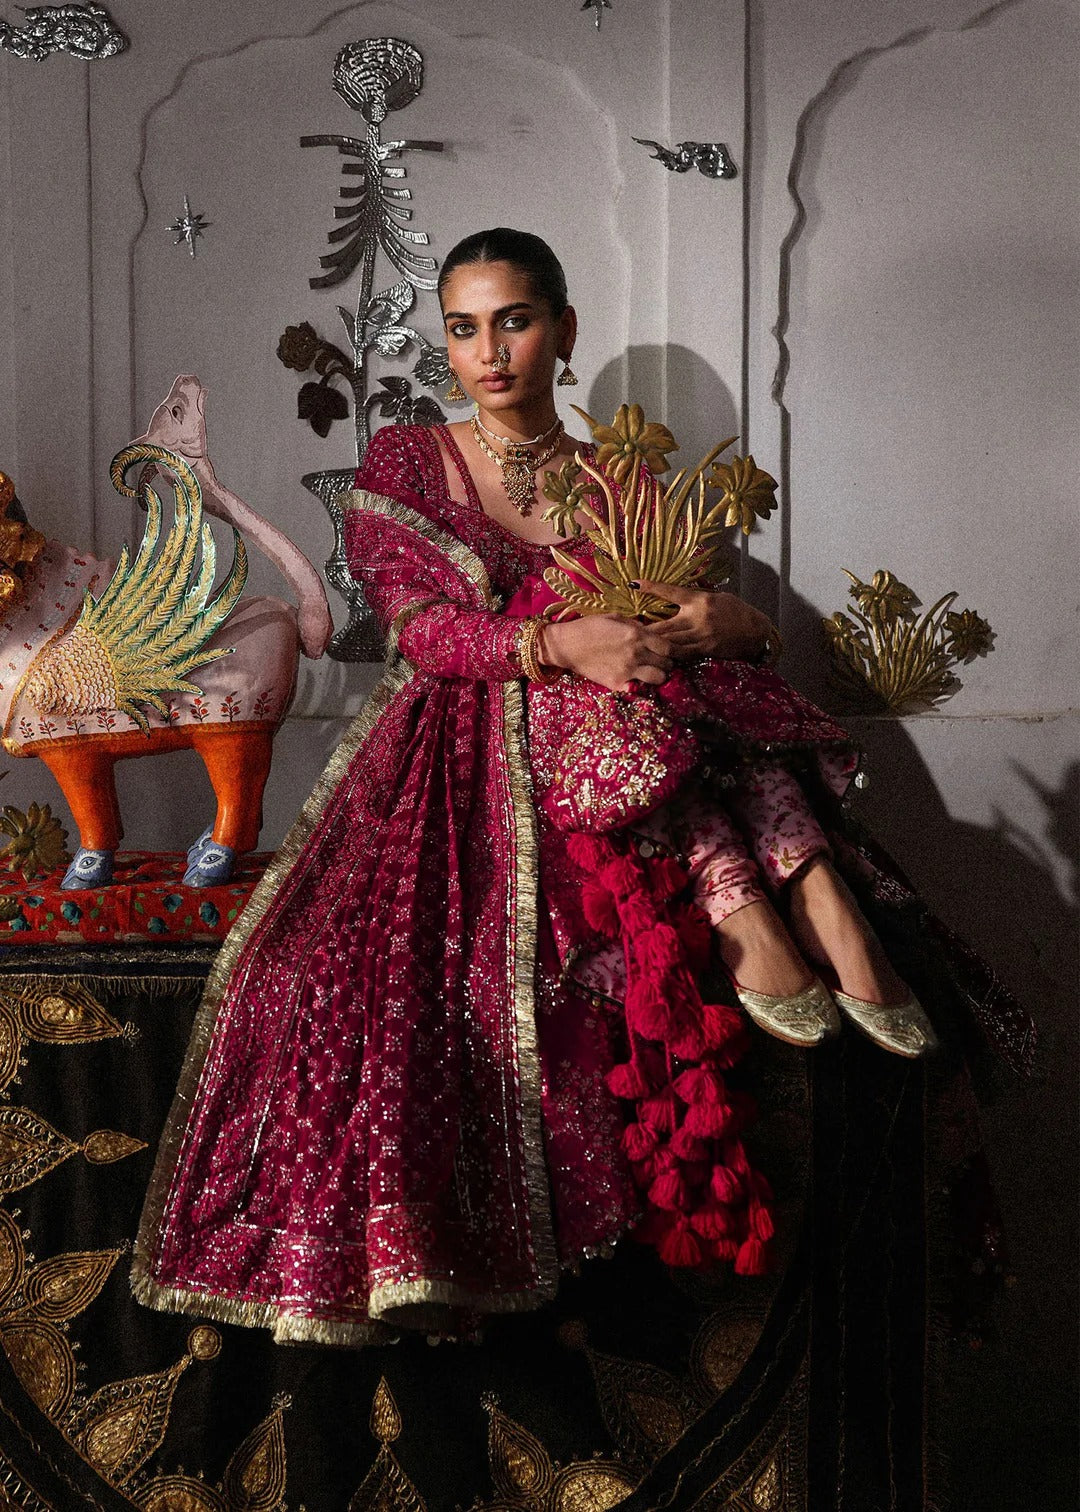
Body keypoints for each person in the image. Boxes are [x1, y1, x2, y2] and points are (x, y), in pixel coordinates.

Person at [131, 228, 938, 1344]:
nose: (488, 352)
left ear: (563, 330)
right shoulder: (409, 461)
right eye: (463, 329)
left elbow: (663, 620)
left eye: (513, 321)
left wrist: (728, 621)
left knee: (692, 678)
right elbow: (424, 629)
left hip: (621, 725)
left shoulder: (623, 478)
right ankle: (755, 907)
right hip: (453, 740)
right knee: (319, 976)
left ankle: (806, 892)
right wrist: (559, 643)